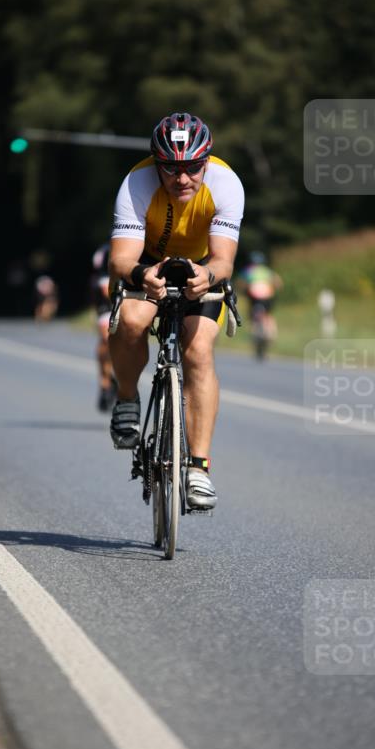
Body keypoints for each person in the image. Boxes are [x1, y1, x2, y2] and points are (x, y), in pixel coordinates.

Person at [108, 112, 244, 510]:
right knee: (132, 321)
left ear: (206, 162)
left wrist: (209, 274)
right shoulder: (136, 182)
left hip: (200, 268)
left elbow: (225, 261)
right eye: (170, 169)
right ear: (156, 163)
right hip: (147, 264)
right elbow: (120, 260)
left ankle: (198, 468)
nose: (182, 179)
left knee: (198, 348)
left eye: (192, 169)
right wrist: (140, 275)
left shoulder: (225, 183)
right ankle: (128, 398)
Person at [90, 242, 118, 412]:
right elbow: (103, 288)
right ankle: (105, 382)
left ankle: (121, 381)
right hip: (107, 303)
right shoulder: (104, 252)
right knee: (106, 338)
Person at [240, 251, 283, 358]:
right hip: (268, 296)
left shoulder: (249, 270)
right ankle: (271, 333)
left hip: (254, 297)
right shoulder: (267, 271)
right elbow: (278, 282)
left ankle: (254, 336)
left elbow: (241, 283)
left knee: (252, 317)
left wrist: (243, 290)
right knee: (268, 315)